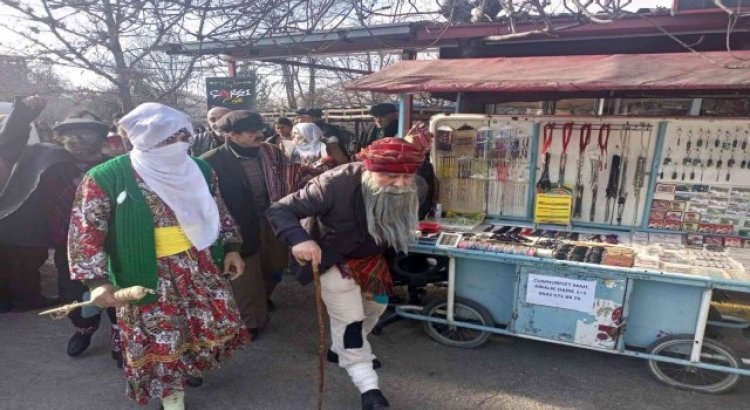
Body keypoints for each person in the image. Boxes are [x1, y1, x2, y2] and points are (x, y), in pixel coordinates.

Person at [67, 102, 249, 409]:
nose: (178, 145)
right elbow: (86, 231)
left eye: (183, 137)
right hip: (147, 273)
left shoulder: (200, 169)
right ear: (146, 140)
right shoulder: (107, 177)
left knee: (194, 327)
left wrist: (231, 248)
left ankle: (186, 368)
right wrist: (96, 281)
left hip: (198, 266)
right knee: (160, 335)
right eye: (168, 139)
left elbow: (216, 211)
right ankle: (172, 397)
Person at [267, 137, 428, 410]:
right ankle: (368, 386)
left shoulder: (418, 186)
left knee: (376, 308)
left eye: (406, 176)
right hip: (332, 257)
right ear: (368, 168)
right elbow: (279, 209)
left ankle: (341, 349)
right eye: (390, 176)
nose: (401, 184)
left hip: (372, 259)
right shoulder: (334, 183)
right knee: (351, 320)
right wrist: (299, 240)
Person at [201, 110, 299, 337]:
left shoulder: (271, 152)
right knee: (246, 276)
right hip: (237, 225)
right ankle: (250, 322)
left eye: (260, 129)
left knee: (275, 266)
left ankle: (262, 298)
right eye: (251, 131)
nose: (259, 134)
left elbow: (288, 178)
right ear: (232, 135)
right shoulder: (211, 161)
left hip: (273, 218)